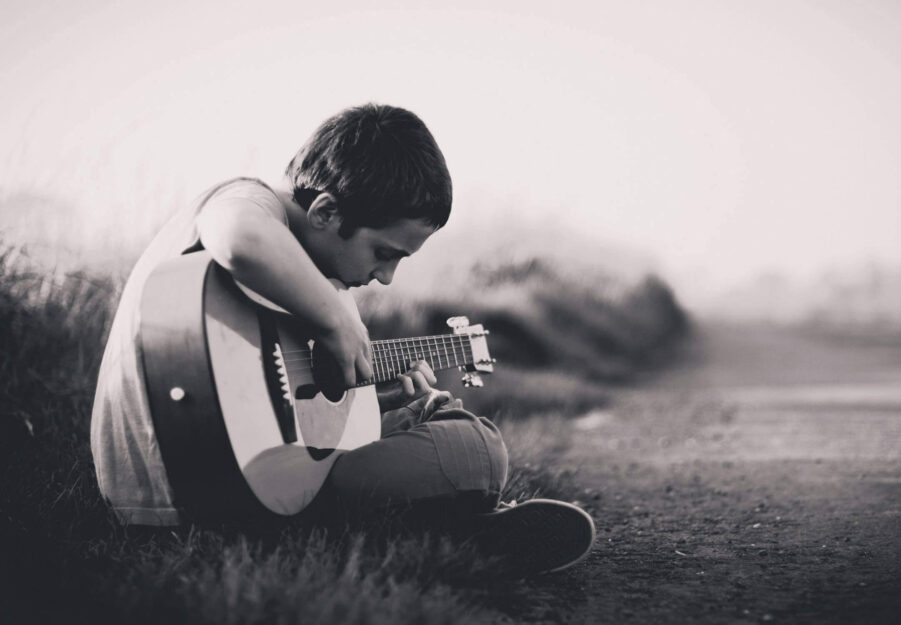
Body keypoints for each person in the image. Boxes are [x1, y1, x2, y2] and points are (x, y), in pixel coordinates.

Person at [90, 103, 593, 575]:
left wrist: (369, 402)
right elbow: (240, 239)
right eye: (384, 253)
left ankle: (433, 524)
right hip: (198, 492)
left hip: (217, 484)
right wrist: (337, 321)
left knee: (421, 412)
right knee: (479, 447)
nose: (386, 277)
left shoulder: (290, 271)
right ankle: (445, 521)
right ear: (325, 212)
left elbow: (265, 401)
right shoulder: (246, 201)